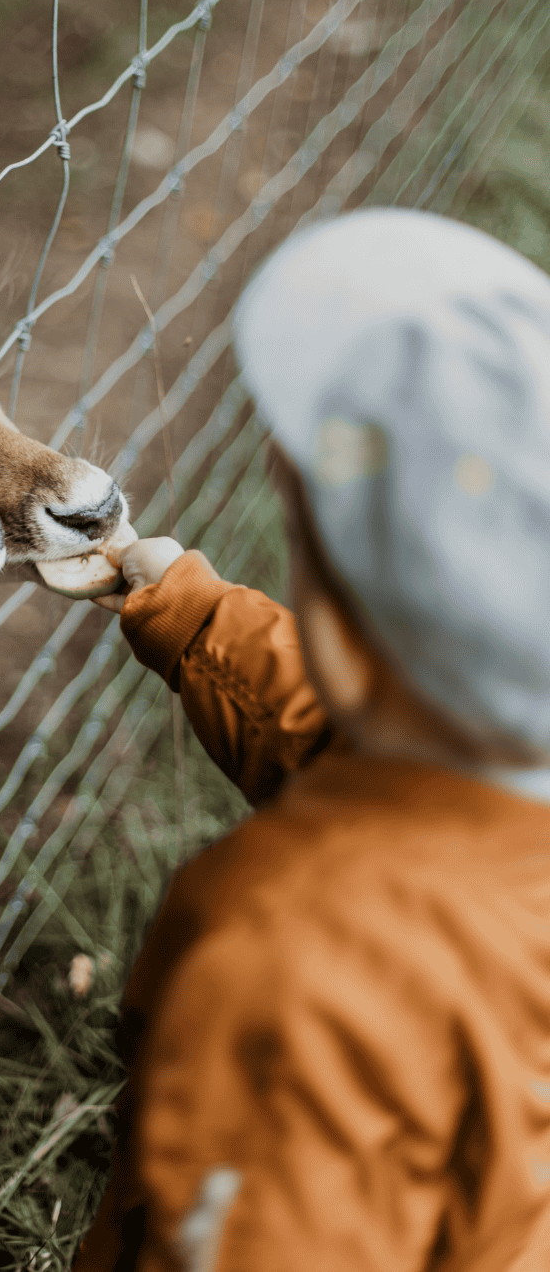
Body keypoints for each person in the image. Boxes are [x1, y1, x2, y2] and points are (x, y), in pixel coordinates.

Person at [75, 208, 550, 1272]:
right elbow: (358, 753)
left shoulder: (301, 960)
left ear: (340, 610)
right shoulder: (502, 791)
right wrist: (193, 614)